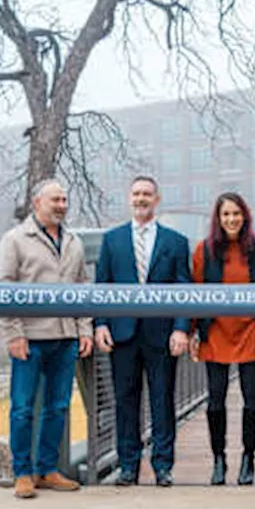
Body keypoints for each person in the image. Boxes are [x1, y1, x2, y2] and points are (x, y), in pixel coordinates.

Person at [0, 181, 93, 499]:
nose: (61, 205)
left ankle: (47, 469)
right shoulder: (15, 240)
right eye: (55, 199)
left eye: (65, 199)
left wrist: (84, 330)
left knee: (58, 407)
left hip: (65, 339)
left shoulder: (74, 241)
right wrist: (14, 334)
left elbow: (82, 288)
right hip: (30, 340)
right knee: (22, 409)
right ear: (38, 202)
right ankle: (23, 472)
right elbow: (2, 289)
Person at [95, 176, 191, 487]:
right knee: (125, 402)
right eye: (136, 194)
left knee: (163, 400)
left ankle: (163, 466)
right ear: (129, 198)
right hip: (122, 335)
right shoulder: (112, 240)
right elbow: (102, 287)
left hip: (161, 335)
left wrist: (181, 329)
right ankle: (128, 466)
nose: (141, 199)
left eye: (147, 194)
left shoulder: (176, 242)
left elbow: (184, 289)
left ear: (157, 199)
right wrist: (100, 325)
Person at [189, 192, 255, 486]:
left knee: (252, 400)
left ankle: (248, 458)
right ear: (218, 218)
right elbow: (195, 293)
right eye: (226, 214)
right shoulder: (204, 251)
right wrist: (192, 333)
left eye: (236, 214)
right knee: (215, 400)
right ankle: (219, 459)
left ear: (245, 216)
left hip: (249, 330)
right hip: (215, 332)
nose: (231, 219)